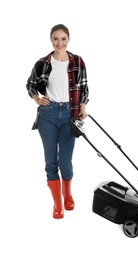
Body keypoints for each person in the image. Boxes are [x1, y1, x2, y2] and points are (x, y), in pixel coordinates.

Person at [26, 24, 89, 219]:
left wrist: (83, 107)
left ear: (68, 39)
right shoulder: (43, 63)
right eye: (55, 39)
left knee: (65, 162)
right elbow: (30, 84)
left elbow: (85, 87)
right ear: (51, 40)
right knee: (51, 162)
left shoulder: (77, 61)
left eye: (63, 39)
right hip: (48, 115)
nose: (59, 42)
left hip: (70, 115)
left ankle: (67, 193)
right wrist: (37, 99)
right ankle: (57, 203)